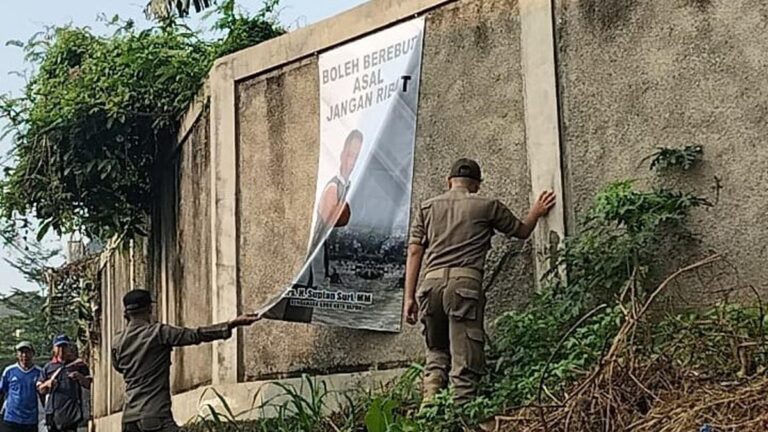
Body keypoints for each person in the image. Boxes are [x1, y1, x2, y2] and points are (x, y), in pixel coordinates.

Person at [403, 158, 556, 405]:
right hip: (464, 287)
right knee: (465, 360)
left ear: (449, 181)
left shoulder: (426, 208)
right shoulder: (487, 206)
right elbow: (521, 231)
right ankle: (462, 415)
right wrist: (536, 212)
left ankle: (429, 410)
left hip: (429, 287)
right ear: (476, 185)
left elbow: (414, 252)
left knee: (436, 352)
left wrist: (409, 297)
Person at [111, 289, 261, 432]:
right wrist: (231, 324)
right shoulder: (158, 333)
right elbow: (195, 335)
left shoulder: (117, 341)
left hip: (129, 418)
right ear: (150, 309)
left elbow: (119, 367)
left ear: (126, 313)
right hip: (154, 414)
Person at [267, 129, 364, 322]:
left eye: (358, 156)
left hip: (317, 277)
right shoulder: (334, 187)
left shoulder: (345, 187)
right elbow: (337, 219)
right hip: (308, 277)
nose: (353, 162)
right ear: (343, 154)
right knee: (296, 317)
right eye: (352, 155)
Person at [36, 336, 91, 432]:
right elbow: (40, 389)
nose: (61, 349)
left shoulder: (78, 365)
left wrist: (79, 377)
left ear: (69, 347)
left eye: (64, 346)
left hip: (71, 414)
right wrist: (47, 384)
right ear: (54, 348)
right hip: (53, 414)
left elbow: (88, 384)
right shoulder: (48, 367)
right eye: (59, 346)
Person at [0, 342, 44, 432]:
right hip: (11, 418)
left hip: (31, 420)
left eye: (27, 352)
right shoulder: (9, 371)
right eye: (21, 352)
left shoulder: (39, 372)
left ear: (33, 354)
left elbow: (43, 394)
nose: (24, 355)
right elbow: (2, 391)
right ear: (17, 354)